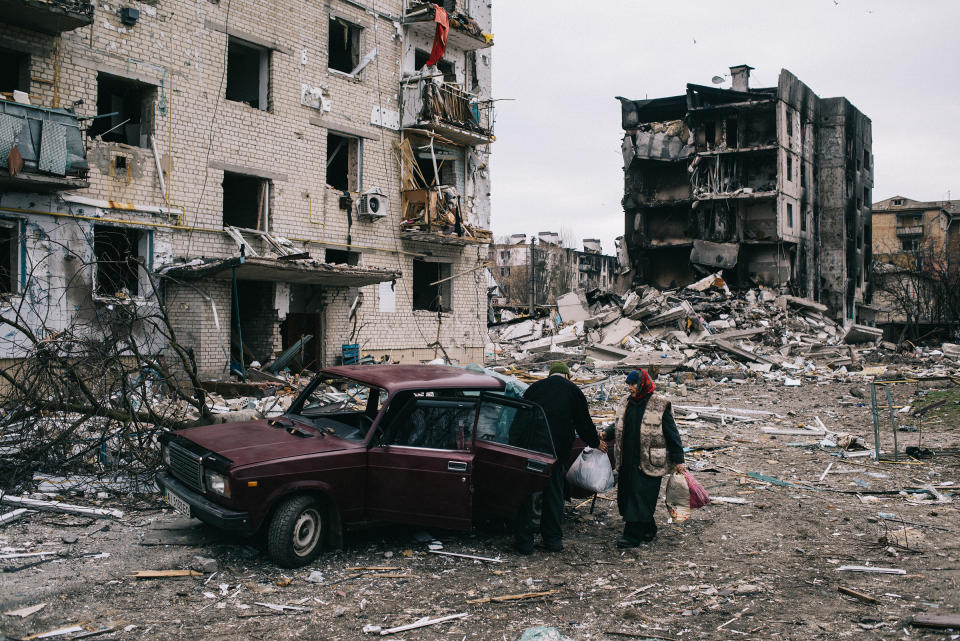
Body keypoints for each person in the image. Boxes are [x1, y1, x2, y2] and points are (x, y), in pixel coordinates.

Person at [515, 361, 606, 554]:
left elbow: (520, 418)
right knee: (554, 495)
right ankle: (553, 541)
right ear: (566, 376)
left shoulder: (534, 388)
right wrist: (595, 442)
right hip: (556, 452)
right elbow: (584, 423)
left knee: (528, 494)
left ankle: (524, 543)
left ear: (551, 375)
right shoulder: (573, 391)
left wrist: (515, 444)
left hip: (532, 451)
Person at [614, 369, 685, 547]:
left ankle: (632, 536)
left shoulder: (660, 404)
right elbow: (619, 424)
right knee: (629, 496)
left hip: (649, 460)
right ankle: (648, 529)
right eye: (628, 384)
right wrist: (605, 433)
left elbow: (672, 433)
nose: (630, 387)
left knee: (640, 496)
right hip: (627, 458)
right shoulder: (626, 402)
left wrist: (678, 459)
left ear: (643, 383)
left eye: (633, 384)